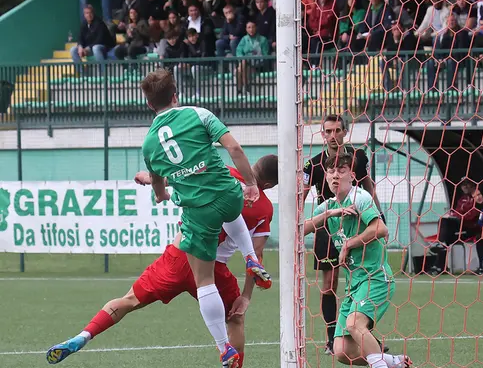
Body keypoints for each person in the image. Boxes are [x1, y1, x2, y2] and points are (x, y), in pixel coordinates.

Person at [45, 155, 278, 366]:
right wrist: (245, 297)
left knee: (129, 300)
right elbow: (256, 256)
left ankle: (83, 335)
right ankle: (229, 356)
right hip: (213, 269)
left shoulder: (221, 171)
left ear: (254, 165)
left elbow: (177, 177)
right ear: (268, 185)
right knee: (235, 320)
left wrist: (149, 178)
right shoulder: (265, 208)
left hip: (178, 256)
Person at [118, 69, 270, 366]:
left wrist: (160, 194)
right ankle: (250, 256)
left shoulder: (149, 143)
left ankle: (223, 347)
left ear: (149, 104)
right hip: (229, 196)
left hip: (199, 211)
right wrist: (251, 183)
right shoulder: (199, 114)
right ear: (176, 95)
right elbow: (234, 148)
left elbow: (160, 183)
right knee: (228, 208)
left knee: (204, 282)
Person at [303, 153, 411, 368]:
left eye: (341, 171)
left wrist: (349, 244)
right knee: (342, 350)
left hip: (376, 278)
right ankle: (395, 363)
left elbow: (381, 228)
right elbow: (300, 230)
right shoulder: (328, 206)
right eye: (331, 171)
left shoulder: (360, 197)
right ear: (325, 177)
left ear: (352, 175)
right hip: (355, 285)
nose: (335, 176)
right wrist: (329, 214)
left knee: (354, 324)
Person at [302, 114, 381, 355]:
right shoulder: (312, 164)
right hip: (328, 227)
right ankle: (330, 339)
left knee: (363, 276)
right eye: (328, 131)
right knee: (330, 283)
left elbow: (368, 186)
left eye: (337, 130)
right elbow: (302, 194)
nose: (333, 135)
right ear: (322, 134)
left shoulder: (358, 158)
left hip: (355, 224)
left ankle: (364, 335)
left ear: (345, 132)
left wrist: (380, 216)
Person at [431, 180, 483, 275]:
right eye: (462, 185)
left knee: (446, 230)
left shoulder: (479, 202)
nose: (464, 187)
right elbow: (457, 212)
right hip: (461, 227)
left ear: (473, 185)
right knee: (445, 229)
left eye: (466, 184)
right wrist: (455, 215)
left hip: (472, 228)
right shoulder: (462, 199)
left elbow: (471, 216)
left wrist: (458, 215)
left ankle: (439, 261)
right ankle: (440, 266)